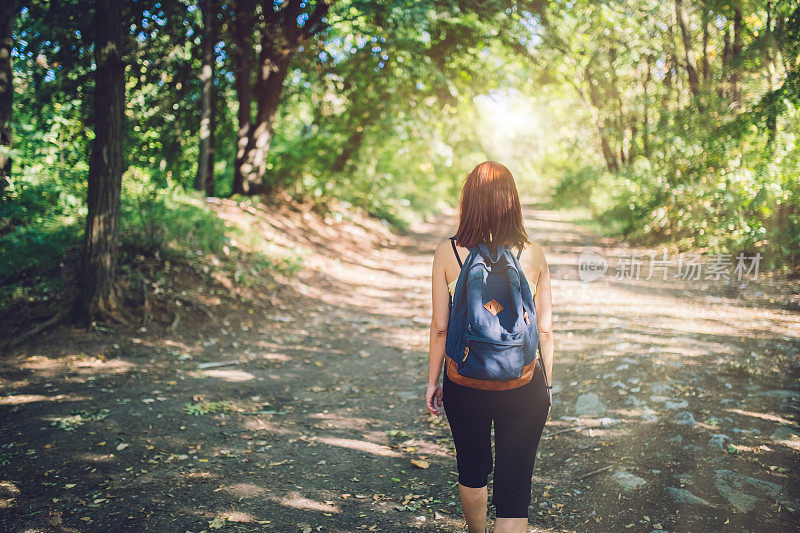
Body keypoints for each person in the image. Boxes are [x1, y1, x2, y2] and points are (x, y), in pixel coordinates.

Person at [426, 161, 553, 533]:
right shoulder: (533, 253)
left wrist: (434, 382)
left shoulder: (447, 252)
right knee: (514, 491)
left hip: (465, 382)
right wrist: (546, 384)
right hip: (524, 382)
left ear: (468, 202)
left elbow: (439, 327)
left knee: (472, 470)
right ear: (512, 201)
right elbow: (544, 329)